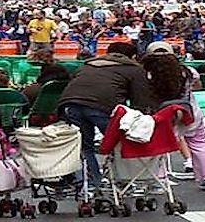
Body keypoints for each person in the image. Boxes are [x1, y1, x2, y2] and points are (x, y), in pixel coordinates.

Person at [58, 41, 155, 187]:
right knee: (119, 142)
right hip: (103, 106)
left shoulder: (88, 64)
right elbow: (140, 100)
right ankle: (122, 179)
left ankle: (92, 181)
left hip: (71, 103)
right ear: (133, 56)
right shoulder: (134, 69)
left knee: (85, 146)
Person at [141, 42, 205, 191]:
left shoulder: (145, 74)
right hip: (189, 113)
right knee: (200, 143)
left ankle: (159, 180)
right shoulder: (187, 71)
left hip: (160, 114)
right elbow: (198, 86)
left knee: (159, 146)